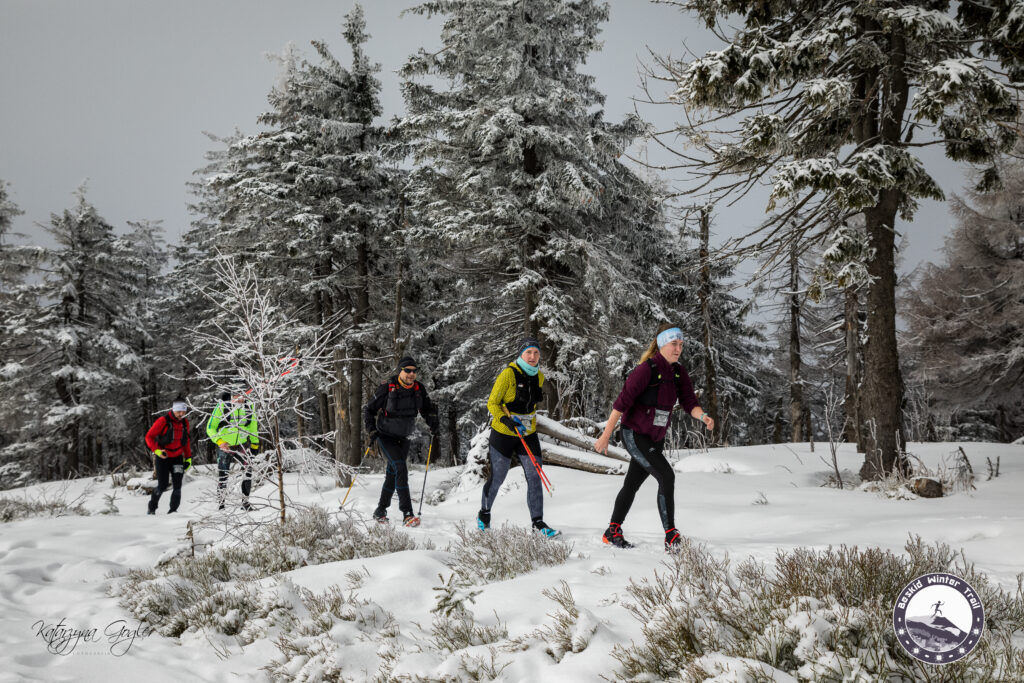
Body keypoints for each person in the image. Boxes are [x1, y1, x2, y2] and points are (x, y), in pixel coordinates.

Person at [594, 324, 714, 551]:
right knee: (666, 476)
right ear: (661, 345)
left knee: (631, 484)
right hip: (634, 434)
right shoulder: (646, 370)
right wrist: (605, 435)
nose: (678, 349)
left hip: (654, 437)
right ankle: (671, 536)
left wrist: (703, 416)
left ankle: (612, 531)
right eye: (673, 344)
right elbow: (620, 405)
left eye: (681, 344)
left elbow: (689, 402)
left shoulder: (679, 372)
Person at [478, 337, 559, 538]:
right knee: (499, 477)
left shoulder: (538, 376)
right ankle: (484, 514)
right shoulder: (508, 374)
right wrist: (506, 421)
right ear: (521, 354)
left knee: (535, 475)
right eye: (528, 352)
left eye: (536, 353)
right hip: (504, 433)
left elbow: (531, 404)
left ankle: (538, 523)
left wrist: (527, 419)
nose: (532, 357)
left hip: (527, 432)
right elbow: (493, 403)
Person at [363, 355, 440, 526]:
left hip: (404, 437)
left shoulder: (419, 388)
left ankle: (380, 510)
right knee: (400, 467)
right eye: (407, 370)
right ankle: (407, 514)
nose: (411, 374)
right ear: (400, 371)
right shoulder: (387, 387)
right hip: (385, 435)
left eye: (414, 371)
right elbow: (369, 410)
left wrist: (433, 422)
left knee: (393, 474)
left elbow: (427, 409)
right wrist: (371, 430)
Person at [207, 387, 260, 511]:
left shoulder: (248, 406)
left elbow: (253, 426)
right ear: (231, 396)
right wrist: (220, 442)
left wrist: (255, 443)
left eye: (243, 396)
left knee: (248, 472)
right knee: (223, 475)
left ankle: (245, 503)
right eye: (237, 396)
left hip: (242, 445)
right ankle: (221, 505)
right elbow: (210, 428)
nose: (240, 399)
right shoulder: (222, 407)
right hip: (225, 446)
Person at [144, 396, 193, 514]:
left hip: (177, 458)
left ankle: (173, 511)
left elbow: (185, 441)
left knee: (177, 485)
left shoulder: (185, 423)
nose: (181, 414)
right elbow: (148, 437)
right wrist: (157, 451)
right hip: (163, 457)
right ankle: (152, 508)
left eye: (183, 411)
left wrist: (188, 457)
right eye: (178, 411)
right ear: (173, 409)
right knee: (162, 485)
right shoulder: (163, 421)